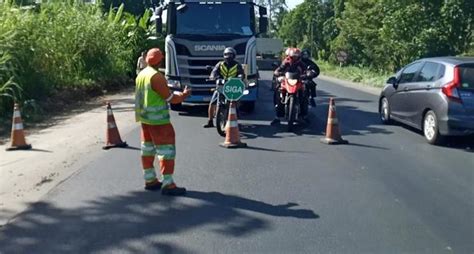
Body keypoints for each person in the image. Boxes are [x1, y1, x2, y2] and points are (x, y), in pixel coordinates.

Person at [135, 48, 192, 195]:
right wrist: (184, 95)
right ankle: (168, 183)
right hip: (159, 121)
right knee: (166, 151)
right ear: (160, 60)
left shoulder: (141, 75)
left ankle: (150, 180)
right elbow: (170, 98)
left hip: (145, 119)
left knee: (147, 149)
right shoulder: (156, 77)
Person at [203, 47, 244, 128]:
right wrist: (213, 76)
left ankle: (236, 118)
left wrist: (240, 77)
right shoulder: (220, 64)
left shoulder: (237, 65)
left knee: (236, 101)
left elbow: (241, 74)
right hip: (221, 86)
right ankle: (210, 121)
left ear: (234, 55)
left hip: (232, 86)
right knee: (212, 103)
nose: (228, 56)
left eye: (230, 54)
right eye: (226, 54)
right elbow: (214, 71)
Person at [271, 47, 307, 125]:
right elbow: (280, 68)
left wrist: (307, 74)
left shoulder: (301, 63)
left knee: (304, 94)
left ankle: (303, 115)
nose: (295, 57)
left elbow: (305, 70)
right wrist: (277, 72)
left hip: (298, 81)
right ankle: (277, 116)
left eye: (296, 56)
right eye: (293, 56)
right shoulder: (286, 62)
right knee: (278, 91)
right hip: (287, 81)